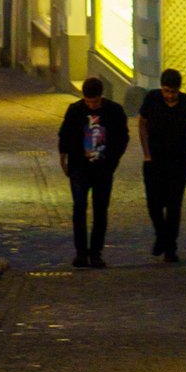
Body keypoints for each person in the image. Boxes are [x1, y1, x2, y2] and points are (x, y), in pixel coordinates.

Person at [56, 71, 131, 265]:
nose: (91, 106)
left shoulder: (114, 111)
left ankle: (96, 253)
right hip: (79, 168)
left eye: (95, 103)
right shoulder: (75, 110)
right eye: (88, 102)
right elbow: (65, 135)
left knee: (100, 210)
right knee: (79, 208)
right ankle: (81, 253)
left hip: (103, 168)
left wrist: (113, 161)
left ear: (101, 97)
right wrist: (64, 160)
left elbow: (122, 138)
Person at [138, 65, 186, 261]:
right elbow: (142, 124)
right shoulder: (152, 99)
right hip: (154, 160)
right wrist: (146, 153)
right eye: (166, 91)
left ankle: (171, 248)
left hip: (178, 161)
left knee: (174, 205)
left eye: (173, 92)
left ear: (178, 90)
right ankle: (161, 235)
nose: (170, 96)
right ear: (161, 88)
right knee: (154, 203)